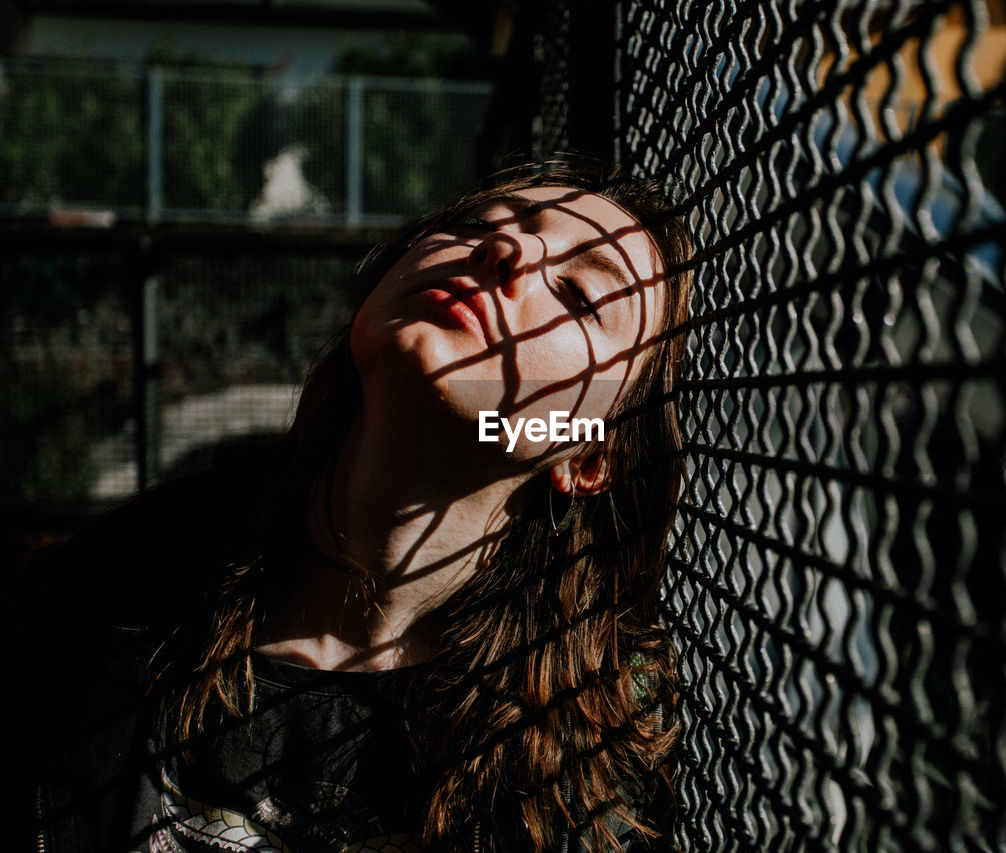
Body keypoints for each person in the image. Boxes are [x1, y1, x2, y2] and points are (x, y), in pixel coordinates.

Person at [10, 157, 693, 852]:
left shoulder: (592, 767)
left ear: (589, 455)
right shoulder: (87, 607)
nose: (506, 248)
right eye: (474, 223)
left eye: (579, 295)